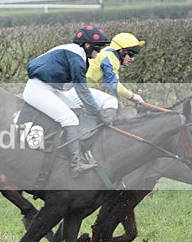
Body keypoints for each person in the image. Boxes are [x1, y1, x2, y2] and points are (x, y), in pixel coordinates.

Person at [24, 25, 116, 176]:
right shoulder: (76, 56)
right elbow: (83, 92)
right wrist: (100, 114)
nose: (99, 53)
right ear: (87, 45)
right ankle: (75, 165)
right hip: (38, 89)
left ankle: (71, 153)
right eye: (97, 49)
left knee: (77, 112)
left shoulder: (76, 53)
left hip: (49, 88)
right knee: (70, 119)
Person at [86, 32, 146, 105]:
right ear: (121, 50)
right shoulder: (111, 59)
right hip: (80, 90)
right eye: (131, 55)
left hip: (83, 88)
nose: (132, 59)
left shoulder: (109, 51)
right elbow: (115, 86)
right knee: (111, 102)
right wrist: (133, 96)